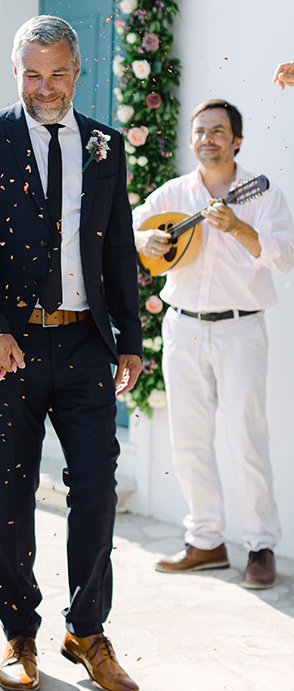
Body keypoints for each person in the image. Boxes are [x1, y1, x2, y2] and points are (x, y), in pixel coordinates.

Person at [0, 16, 142, 691]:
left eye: (58, 74)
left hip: (87, 341)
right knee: (10, 491)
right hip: (11, 345)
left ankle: (87, 631)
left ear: (77, 71)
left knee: (96, 485)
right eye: (32, 74)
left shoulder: (105, 145)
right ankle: (19, 634)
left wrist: (129, 339)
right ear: (16, 71)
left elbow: (117, 246)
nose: (45, 87)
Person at [133, 99, 294, 589]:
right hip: (182, 326)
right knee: (189, 438)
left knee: (247, 437)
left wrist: (238, 227)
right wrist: (144, 241)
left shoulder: (262, 193)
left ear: (236, 141)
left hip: (240, 329)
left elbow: (285, 259)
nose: (208, 138)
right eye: (201, 130)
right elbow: (132, 226)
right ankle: (205, 541)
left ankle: (260, 546)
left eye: (219, 131)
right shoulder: (175, 192)